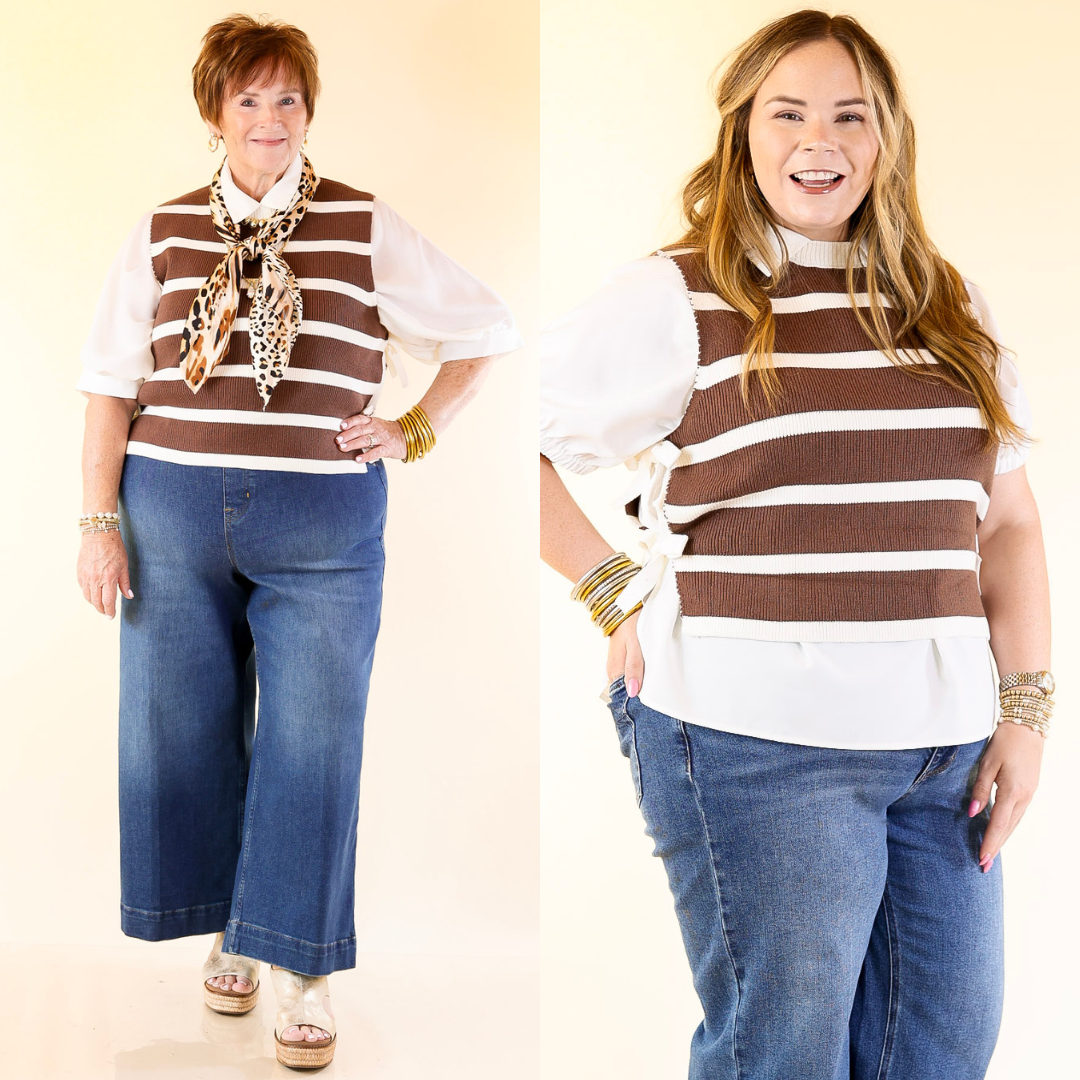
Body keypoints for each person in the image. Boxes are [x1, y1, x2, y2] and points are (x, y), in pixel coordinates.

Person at [539, 10, 1051, 1079]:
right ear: (745, 133)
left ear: (885, 140)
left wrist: (1027, 714)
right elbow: (514, 445)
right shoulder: (678, 297)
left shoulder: (947, 306)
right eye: (789, 112)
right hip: (756, 744)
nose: (819, 139)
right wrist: (608, 588)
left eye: (849, 116)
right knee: (785, 1056)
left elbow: (1005, 521)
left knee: (941, 1048)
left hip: (943, 750)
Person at [76, 14, 521, 1070]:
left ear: (308, 112)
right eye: (249, 100)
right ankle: (231, 929)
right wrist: (98, 522)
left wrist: (415, 426)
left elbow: (486, 328)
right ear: (215, 112)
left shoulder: (365, 225)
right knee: (178, 728)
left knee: (313, 738)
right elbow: (105, 384)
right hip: (170, 512)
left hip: (323, 521)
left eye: (288, 101)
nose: (270, 119)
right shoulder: (166, 231)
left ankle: (302, 965)